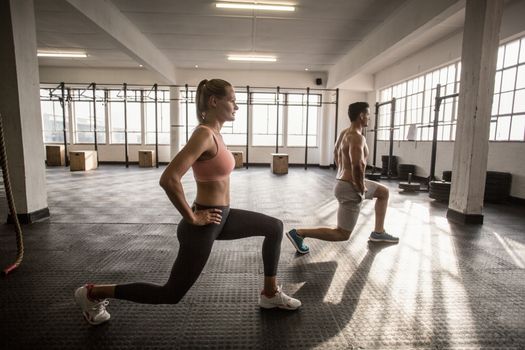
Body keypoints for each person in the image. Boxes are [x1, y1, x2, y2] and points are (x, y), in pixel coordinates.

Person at [74, 78, 301, 325]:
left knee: (274, 227)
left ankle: (269, 294)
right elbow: (169, 178)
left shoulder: (216, 134)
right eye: (233, 100)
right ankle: (92, 292)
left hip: (222, 216)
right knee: (170, 293)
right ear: (214, 101)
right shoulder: (203, 134)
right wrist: (192, 217)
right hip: (204, 222)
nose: (237, 106)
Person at [286, 102, 399, 254]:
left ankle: (378, 232)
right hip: (351, 186)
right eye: (368, 115)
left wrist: (342, 172)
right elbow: (357, 166)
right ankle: (299, 233)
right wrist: (360, 187)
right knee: (342, 234)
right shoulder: (357, 137)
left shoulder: (344, 133)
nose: (369, 119)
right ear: (361, 116)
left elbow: (335, 153)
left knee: (383, 192)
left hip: (345, 182)